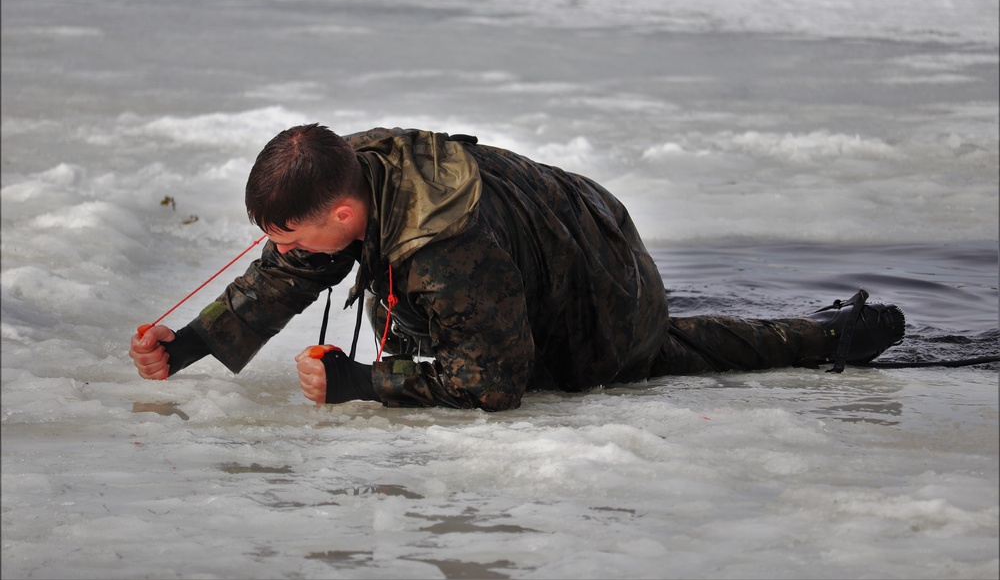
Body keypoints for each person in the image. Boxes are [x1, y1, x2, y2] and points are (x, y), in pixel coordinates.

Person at [129, 125, 906, 411]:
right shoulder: (351, 168)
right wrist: (186, 344)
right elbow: (288, 272)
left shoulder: (448, 251)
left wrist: (365, 383)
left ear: (340, 214)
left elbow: (493, 384)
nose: (285, 252)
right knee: (410, 310)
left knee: (653, 353)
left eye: (290, 235)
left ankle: (823, 336)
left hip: (602, 290)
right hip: (557, 236)